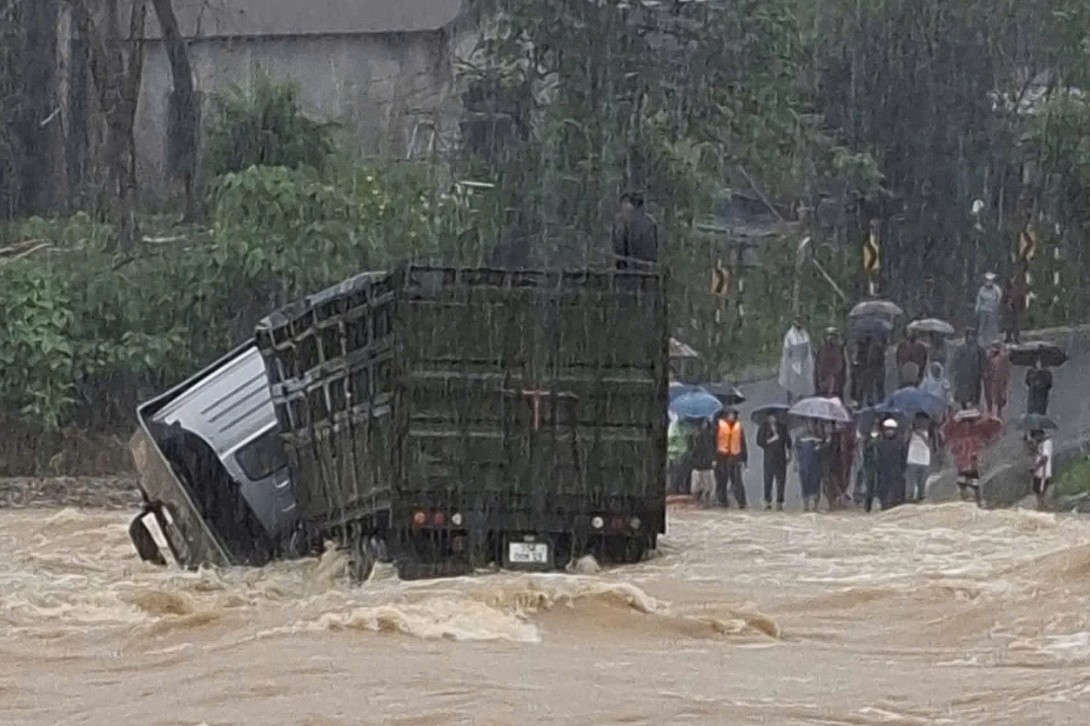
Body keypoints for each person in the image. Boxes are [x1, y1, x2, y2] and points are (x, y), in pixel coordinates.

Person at [611, 192, 658, 268]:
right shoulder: (618, 222)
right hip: (624, 270)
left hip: (642, 269)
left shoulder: (649, 223)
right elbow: (618, 249)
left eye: (627, 203)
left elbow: (650, 251)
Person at [756, 412, 791, 511]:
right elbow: (759, 442)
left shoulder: (782, 427)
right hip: (769, 458)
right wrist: (771, 439)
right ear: (767, 418)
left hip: (781, 458)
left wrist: (790, 454)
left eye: (774, 416)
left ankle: (780, 502)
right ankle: (767, 501)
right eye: (771, 417)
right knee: (768, 480)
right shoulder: (763, 427)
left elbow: (788, 441)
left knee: (781, 481)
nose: (773, 418)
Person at [715, 409, 748, 508]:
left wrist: (745, 459)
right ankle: (722, 501)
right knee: (722, 481)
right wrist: (714, 458)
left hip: (735, 457)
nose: (732, 416)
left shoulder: (739, 428)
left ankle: (742, 502)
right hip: (721, 457)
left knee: (737, 481)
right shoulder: (718, 427)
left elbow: (743, 444)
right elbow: (713, 443)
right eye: (730, 414)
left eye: (733, 415)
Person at [778, 318, 815, 404]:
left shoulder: (805, 334)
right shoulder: (790, 335)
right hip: (792, 362)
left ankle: (802, 399)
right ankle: (791, 400)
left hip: (804, 362)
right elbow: (787, 350)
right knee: (791, 383)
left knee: (803, 384)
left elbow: (808, 348)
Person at [875, 418, 908, 509]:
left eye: (891, 429)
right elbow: (878, 456)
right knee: (883, 486)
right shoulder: (880, 442)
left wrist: (902, 468)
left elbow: (904, 456)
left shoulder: (900, 441)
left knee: (897, 486)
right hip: (884, 469)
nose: (889, 431)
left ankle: (897, 502)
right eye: (887, 429)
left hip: (897, 468)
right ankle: (884, 503)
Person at [795, 422, 826, 512]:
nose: (809, 426)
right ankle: (806, 504)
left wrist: (821, 446)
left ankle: (815, 505)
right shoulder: (800, 437)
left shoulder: (819, 437)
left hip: (816, 464)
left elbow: (824, 450)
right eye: (807, 424)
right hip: (804, 464)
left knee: (816, 483)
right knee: (805, 484)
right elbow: (796, 451)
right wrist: (796, 463)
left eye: (811, 423)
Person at [952, 328, 985, 409]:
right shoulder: (960, 348)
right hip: (963, 377)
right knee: (963, 397)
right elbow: (955, 361)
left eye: (973, 335)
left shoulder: (979, 349)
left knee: (975, 397)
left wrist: (982, 372)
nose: (971, 337)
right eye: (969, 335)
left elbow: (983, 361)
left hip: (975, 376)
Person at [826, 423, 856, 510]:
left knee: (843, 478)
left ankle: (841, 498)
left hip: (845, 460)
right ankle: (837, 499)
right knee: (833, 478)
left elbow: (852, 447)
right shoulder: (832, 435)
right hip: (834, 460)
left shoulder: (849, 432)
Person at [688, 418, 717, 507]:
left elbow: (712, 448)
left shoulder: (710, 435)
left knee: (708, 485)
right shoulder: (694, 436)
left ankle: (706, 502)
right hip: (698, 464)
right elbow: (692, 450)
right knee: (697, 485)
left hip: (706, 463)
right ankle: (699, 501)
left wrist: (713, 459)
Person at [905, 414, 933, 503]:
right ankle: (910, 499)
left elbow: (932, 446)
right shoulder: (911, 432)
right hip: (912, 460)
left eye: (924, 421)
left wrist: (922, 435)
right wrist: (909, 430)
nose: (921, 423)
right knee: (911, 482)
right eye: (919, 420)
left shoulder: (932, 432)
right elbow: (905, 441)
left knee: (922, 483)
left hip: (924, 460)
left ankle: (921, 498)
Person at [815, 328, 848, 398]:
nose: (831, 338)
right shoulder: (822, 349)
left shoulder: (839, 349)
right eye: (829, 336)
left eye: (834, 336)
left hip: (837, 380)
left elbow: (843, 364)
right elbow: (818, 366)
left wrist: (842, 378)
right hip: (824, 380)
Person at [855, 335, 887, 406]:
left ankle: (881, 402)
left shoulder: (878, 348)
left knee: (879, 387)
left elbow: (882, 359)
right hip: (868, 370)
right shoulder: (863, 349)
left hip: (877, 369)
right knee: (868, 387)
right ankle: (869, 401)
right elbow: (859, 358)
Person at [983, 341, 1011, 418]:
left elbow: (1005, 373)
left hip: (999, 383)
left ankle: (997, 416)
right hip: (990, 383)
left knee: (998, 402)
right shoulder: (989, 358)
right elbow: (986, 370)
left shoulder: (1002, 359)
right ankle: (991, 416)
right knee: (990, 401)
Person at [975, 272, 1003, 345]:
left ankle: (993, 342)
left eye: (990, 280)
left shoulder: (996, 289)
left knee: (992, 327)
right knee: (982, 327)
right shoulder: (982, 289)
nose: (988, 281)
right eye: (987, 280)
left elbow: (999, 299)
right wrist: (977, 309)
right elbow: (979, 300)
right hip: (983, 310)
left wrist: (998, 309)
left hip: (992, 311)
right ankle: (982, 342)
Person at [666, 413, 691, 494]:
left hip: (684, 453)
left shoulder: (686, 426)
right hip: (675, 454)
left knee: (683, 472)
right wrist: (673, 450)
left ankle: (681, 488)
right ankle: (674, 488)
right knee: (675, 472)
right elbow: (670, 440)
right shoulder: (673, 426)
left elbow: (689, 438)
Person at [1003, 265, 1028, 344]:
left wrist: (1022, 306)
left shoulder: (1020, 284)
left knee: (1016, 323)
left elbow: (1022, 294)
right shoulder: (1007, 286)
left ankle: (1016, 338)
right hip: (1009, 307)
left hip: (1017, 306)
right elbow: (1005, 295)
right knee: (1008, 322)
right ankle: (1008, 337)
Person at [1029, 428, 1053, 510]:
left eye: (1034, 437)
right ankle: (1041, 508)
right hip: (1040, 473)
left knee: (1040, 492)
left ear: (1038, 435)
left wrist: (1035, 467)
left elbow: (1044, 458)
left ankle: (1041, 508)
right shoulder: (1045, 443)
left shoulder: (1045, 444)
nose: (1034, 439)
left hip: (1042, 473)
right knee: (1038, 491)